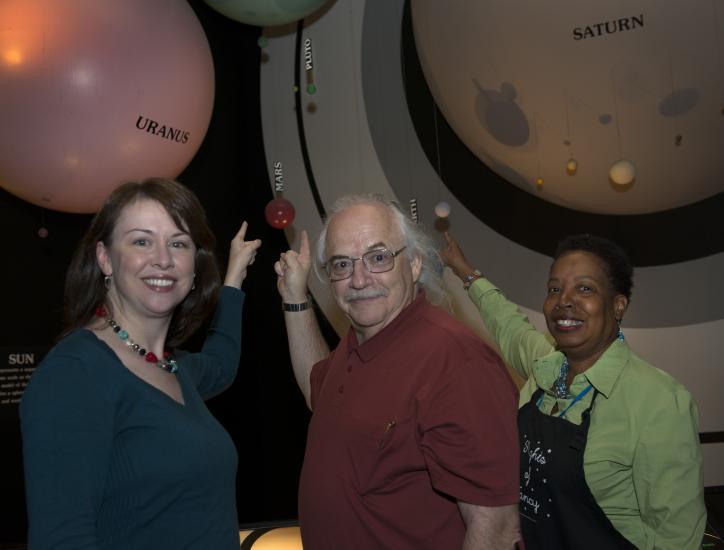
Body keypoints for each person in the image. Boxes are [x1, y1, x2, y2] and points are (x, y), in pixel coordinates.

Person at [20, 178, 261, 550]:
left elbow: (222, 363)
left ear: (194, 265)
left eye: (178, 243)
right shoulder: (74, 373)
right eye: (141, 241)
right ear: (105, 258)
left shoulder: (173, 368)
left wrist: (234, 280)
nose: (163, 259)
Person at [274, 194, 522, 549]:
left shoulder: (457, 362)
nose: (359, 280)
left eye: (378, 258)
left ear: (416, 264)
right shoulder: (361, 339)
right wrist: (295, 299)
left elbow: (497, 525)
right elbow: (319, 392)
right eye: (342, 264)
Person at [441, 232, 706, 549]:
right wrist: (464, 271)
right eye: (555, 289)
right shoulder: (546, 367)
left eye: (585, 288)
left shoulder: (658, 401)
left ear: (618, 305)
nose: (564, 300)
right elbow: (507, 323)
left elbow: (677, 538)